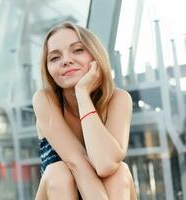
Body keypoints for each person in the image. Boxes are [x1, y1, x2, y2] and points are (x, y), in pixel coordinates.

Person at [32, 21, 137, 200]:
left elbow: (105, 165)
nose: (66, 61)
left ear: (95, 55)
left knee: (118, 173)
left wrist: (83, 95)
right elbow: (76, 164)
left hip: (107, 192)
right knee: (58, 172)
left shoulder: (119, 99)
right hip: (59, 192)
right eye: (55, 58)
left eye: (78, 50)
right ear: (48, 69)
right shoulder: (45, 100)